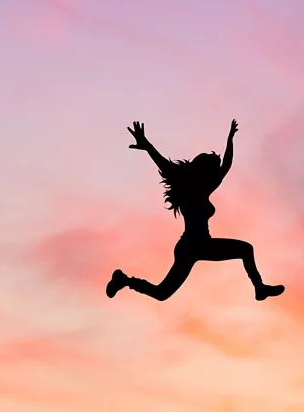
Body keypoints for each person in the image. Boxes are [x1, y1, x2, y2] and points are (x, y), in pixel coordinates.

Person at [107, 120, 284, 302]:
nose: (215, 174)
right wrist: (147, 145)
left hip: (201, 245)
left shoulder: (205, 187)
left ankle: (260, 288)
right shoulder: (186, 186)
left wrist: (230, 139)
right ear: (201, 169)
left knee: (162, 293)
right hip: (191, 247)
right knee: (162, 293)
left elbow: (225, 167)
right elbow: (165, 165)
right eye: (211, 168)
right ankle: (126, 280)